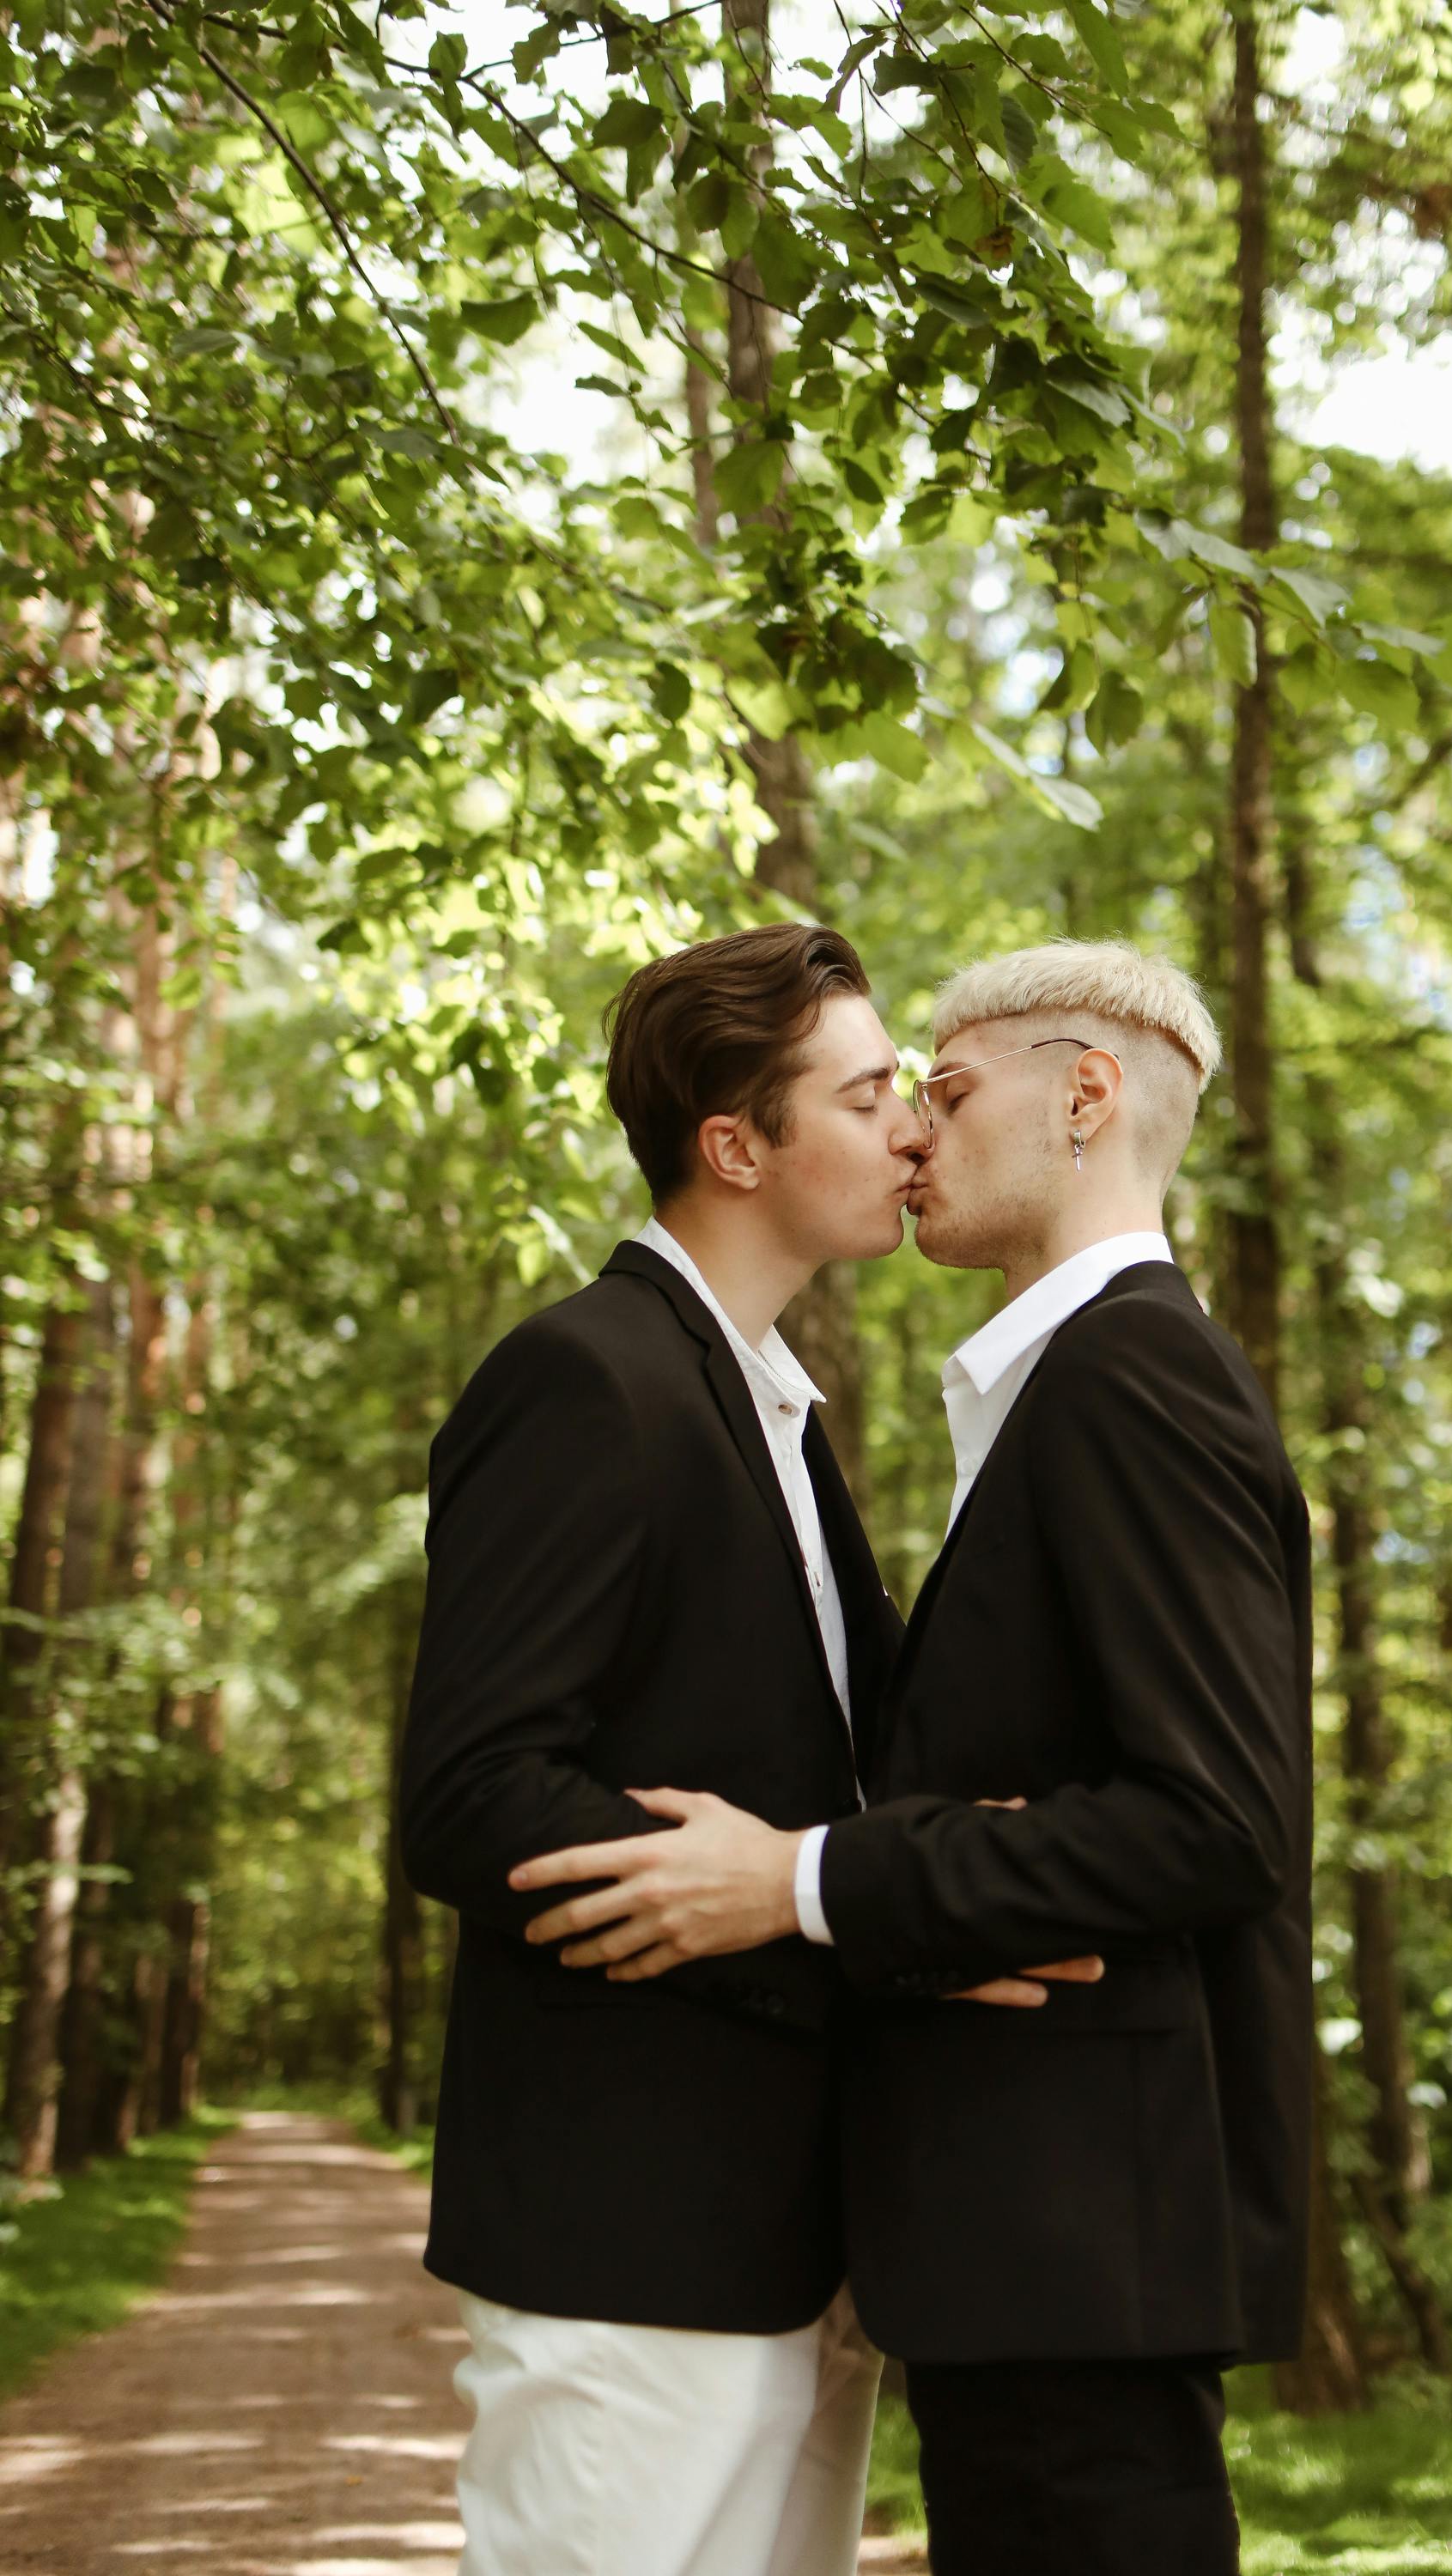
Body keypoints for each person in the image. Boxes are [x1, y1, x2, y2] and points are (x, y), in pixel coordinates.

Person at [513, 937, 1314, 2576]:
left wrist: (810, 1880)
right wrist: (938, 1899)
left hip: (1082, 2239)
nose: (914, 1136)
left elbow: (1222, 1820)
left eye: (945, 1090)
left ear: (1086, 1094)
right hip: (1026, 2243)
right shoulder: (1062, 1390)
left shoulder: (1133, 1378)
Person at [398, 923, 914, 2576]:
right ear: (735, 1145)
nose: (912, 1125)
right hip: (629, 2239)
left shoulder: (778, 1410)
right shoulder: (583, 1378)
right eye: (870, 1092)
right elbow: (472, 1792)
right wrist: (774, 1907)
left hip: (805, 2241)